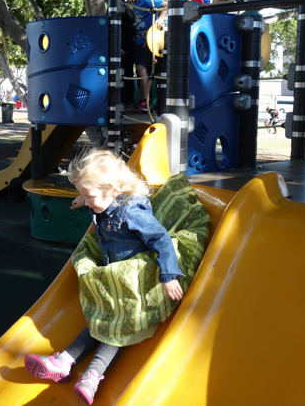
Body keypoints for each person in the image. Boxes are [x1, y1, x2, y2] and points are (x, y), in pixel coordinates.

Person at [24, 149, 190, 405]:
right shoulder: (106, 199)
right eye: (85, 194)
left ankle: (92, 376)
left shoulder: (133, 212)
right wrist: (84, 199)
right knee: (100, 322)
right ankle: (64, 362)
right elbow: (97, 201)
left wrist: (169, 276)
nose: (88, 200)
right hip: (116, 279)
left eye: (89, 195)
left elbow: (161, 239)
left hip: (135, 286)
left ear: (112, 190)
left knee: (117, 329)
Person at [122, 0, 168, 113]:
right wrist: (138, 26)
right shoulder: (135, 3)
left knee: (141, 69)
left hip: (149, 41)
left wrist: (160, 19)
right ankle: (145, 101)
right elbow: (143, 19)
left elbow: (166, 5)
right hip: (140, 41)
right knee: (140, 71)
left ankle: (145, 102)